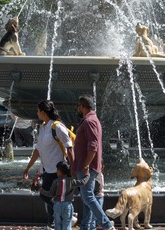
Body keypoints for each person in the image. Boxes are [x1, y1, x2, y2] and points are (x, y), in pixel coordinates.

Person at [23, 100, 75, 230]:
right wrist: (29, 168)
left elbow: (69, 147)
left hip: (58, 171)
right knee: (50, 198)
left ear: (43, 112)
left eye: (38, 110)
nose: (37, 113)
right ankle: (52, 224)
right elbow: (38, 150)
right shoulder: (43, 127)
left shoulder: (57, 127)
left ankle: (68, 215)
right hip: (48, 170)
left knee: (45, 195)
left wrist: (73, 168)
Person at [72, 95, 115, 230]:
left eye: (78, 106)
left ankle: (107, 225)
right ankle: (87, 226)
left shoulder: (89, 121)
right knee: (87, 199)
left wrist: (85, 165)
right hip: (85, 165)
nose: (77, 109)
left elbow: (93, 146)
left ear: (83, 106)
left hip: (87, 167)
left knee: (88, 197)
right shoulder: (90, 120)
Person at [39, 160, 90, 230]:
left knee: (57, 224)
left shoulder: (56, 182)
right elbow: (83, 182)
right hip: (67, 205)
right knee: (67, 223)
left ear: (60, 171)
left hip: (57, 206)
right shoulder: (71, 181)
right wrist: (87, 175)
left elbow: (50, 194)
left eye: (57, 170)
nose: (56, 172)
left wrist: (42, 191)